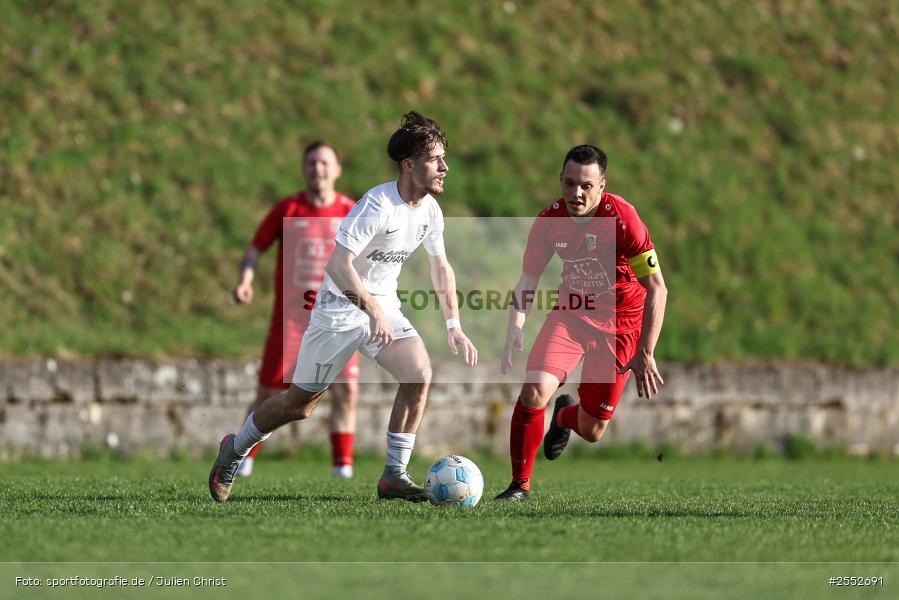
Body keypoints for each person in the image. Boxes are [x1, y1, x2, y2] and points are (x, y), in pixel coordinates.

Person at [210, 112, 478, 503]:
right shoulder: (376, 205)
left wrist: (454, 323)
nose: (444, 167)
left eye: (443, 158)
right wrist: (370, 309)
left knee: (419, 374)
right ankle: (234, 449)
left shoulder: (430, 212)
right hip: (338, 310)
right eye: (435, 159)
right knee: (298, 406)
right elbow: (337, 264)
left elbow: (441, 268)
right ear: (409, 165)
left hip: (381, 308)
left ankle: (393, 475)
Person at [495, 144, 667, 501]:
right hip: (571, 316)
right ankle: (519, 486)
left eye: (586, 186)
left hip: (621, 326)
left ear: (602, 186)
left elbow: (657, 287)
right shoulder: (549, 222)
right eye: (570, 183)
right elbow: (528, 280)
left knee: (592, 429)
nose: (576, 193)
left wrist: (646, 351)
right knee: (533, 391)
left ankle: (563, 418)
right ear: (560, 179)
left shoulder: (623, 219)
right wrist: (515, 326)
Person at [231, 141, 359, 478]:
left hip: (338, 319)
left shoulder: (351, 210)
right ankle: (242, 456)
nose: (317, 169)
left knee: (346, 390)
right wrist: (245, 280)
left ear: (337, 169)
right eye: (311, 163)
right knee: (269, 392)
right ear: (304, 169)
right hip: (291, 321)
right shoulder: (289, 208)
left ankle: (342, 467)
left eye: (324, 163)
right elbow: (255, 249)